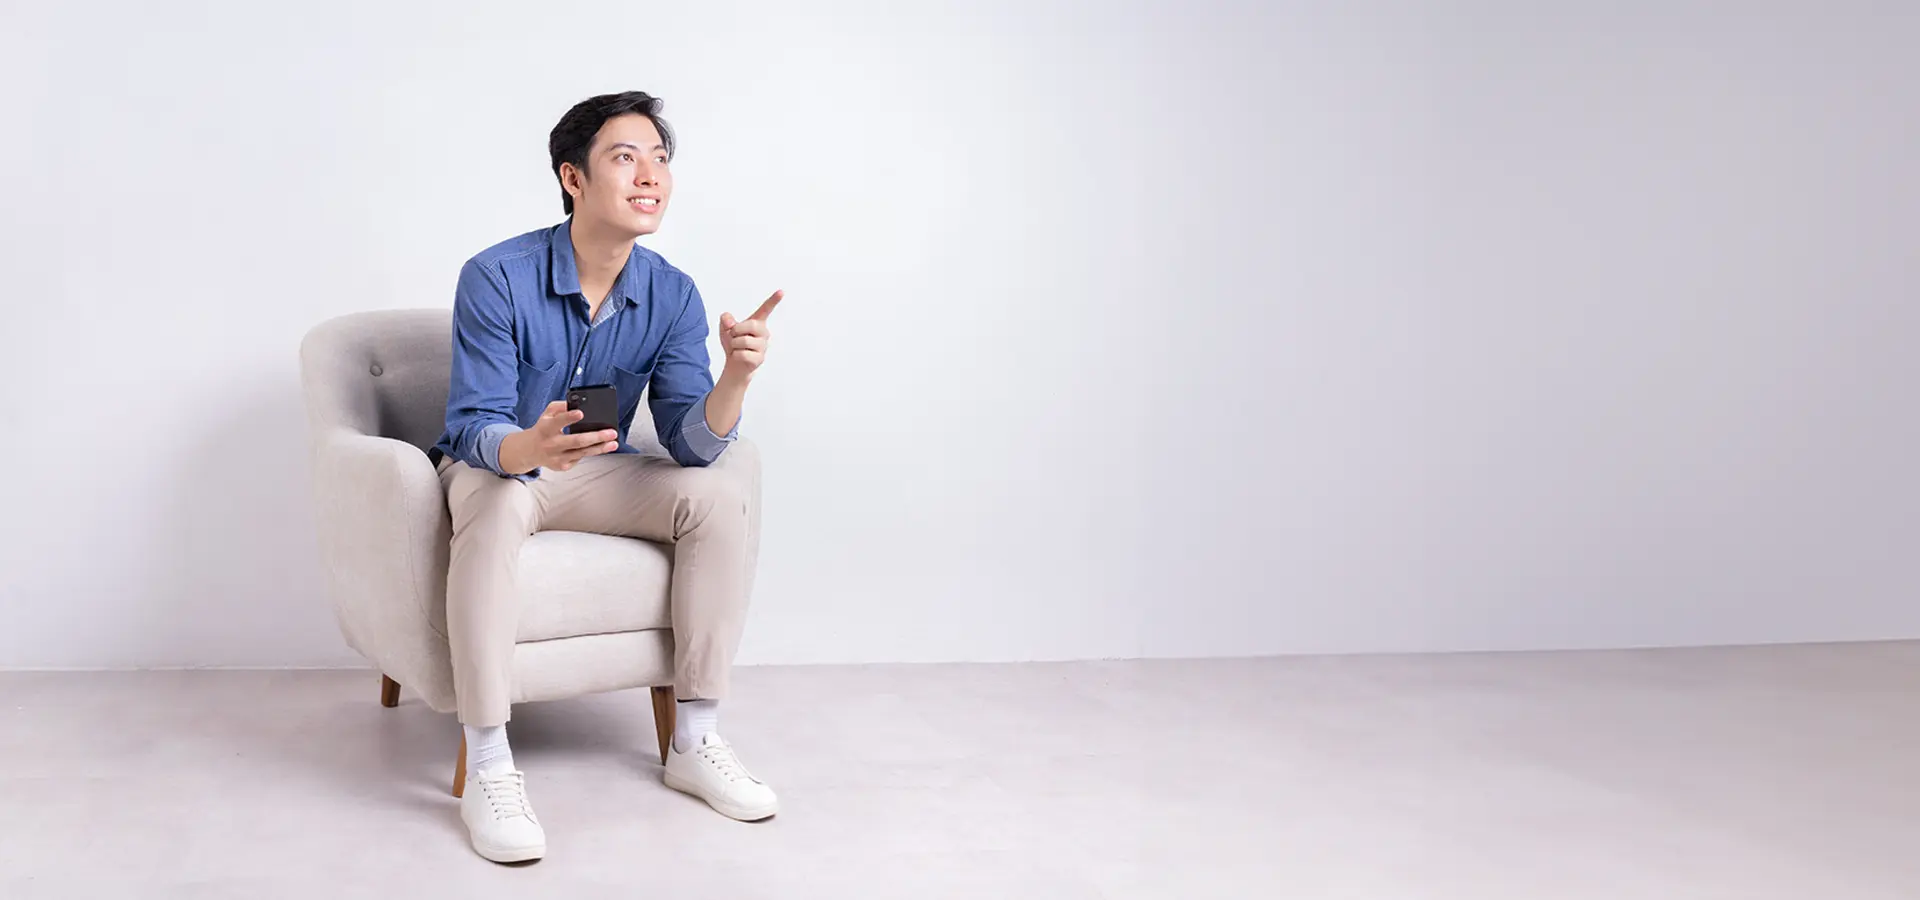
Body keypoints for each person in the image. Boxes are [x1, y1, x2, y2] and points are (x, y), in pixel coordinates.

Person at [427, 91, 782, 863]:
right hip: (507, 470)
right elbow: (473, 425)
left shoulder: (673, 291)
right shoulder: (495, 276)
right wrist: (533, 446)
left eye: (660, 158)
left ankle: (695, 740)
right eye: (625, 157)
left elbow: (692, 442)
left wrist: (736, 380)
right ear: (573, 178)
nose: (649, 174)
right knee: (488, 504)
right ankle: (489, 762)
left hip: (598, 474)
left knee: (717, 494)